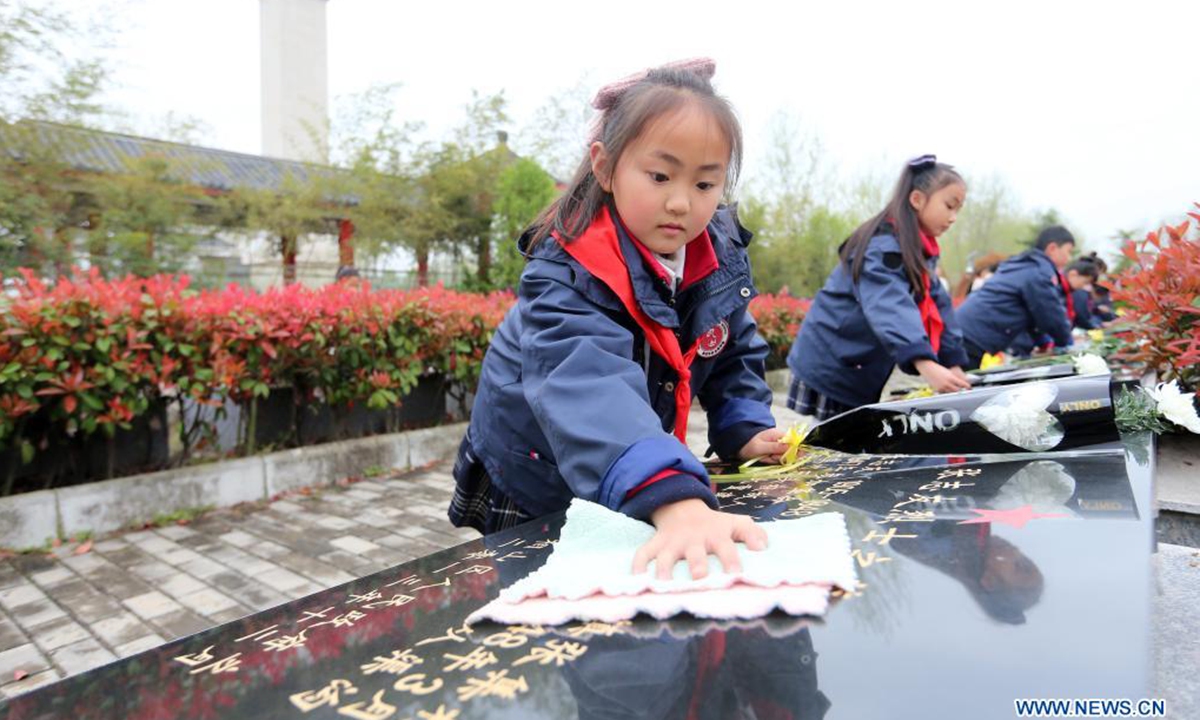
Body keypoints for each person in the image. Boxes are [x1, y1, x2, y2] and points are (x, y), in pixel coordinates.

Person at [448, 60, 788, 580]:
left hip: (631, 456)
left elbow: (731, 347)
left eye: (704, 183)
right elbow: (588, 385)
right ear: (605, 167)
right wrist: (675, 500)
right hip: (536, 466)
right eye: (659, 176)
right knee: (551, 606)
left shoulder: (713, 255)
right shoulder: (566, 269)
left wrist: (744, 427)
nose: (681, 203)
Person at [785, 155, 971, 419]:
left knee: (850, 441)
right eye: (949, 206)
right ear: (917, 199)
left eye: (958, 210)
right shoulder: (882, 246)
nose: (953, 218)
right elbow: (889, 304)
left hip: (858, 358)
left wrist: (952, 361)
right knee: (835, 445)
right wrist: (926, 364)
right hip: (835, 357)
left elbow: (939, 305)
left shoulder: (923, 250)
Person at [956, 226, 1076, 368]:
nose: (1069, 258)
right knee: (960, 385)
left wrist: (1043, 341)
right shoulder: (1038, 272)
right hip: (973, 336)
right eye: (1069, 252)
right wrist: (1068, 346)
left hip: (965, 329)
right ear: (1052, 248)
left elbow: (1033, 315)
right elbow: (1051, 315)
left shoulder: (1025, 265)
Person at [1065, 259, 1102, 330]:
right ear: (1073, 274)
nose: (1084, 286)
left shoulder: (1070, 291)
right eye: (1085, 282)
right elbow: (1079, 313)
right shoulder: (1079, 292)